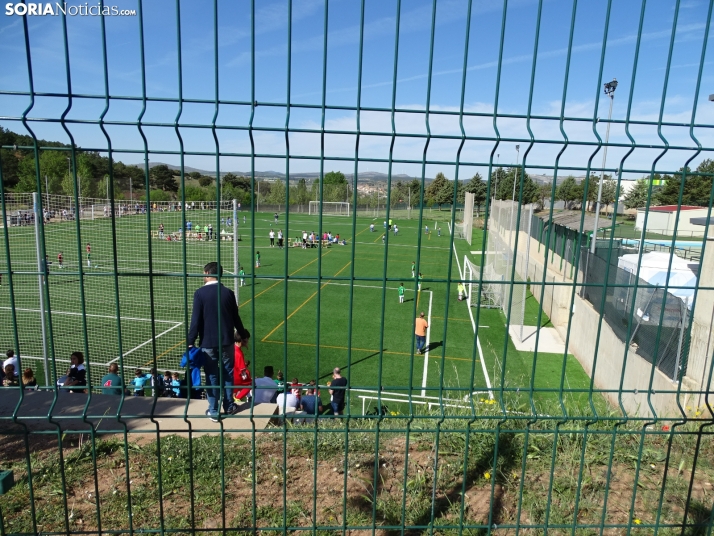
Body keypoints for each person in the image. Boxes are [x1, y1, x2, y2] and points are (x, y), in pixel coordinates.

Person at [187, 262, 250, 420]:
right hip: (227, 341)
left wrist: (190, 340)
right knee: (228, 373)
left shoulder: (200, 293)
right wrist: (243, 336)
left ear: (207, 273)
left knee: (211, 375)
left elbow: (196, 320)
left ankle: (213, 410)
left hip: (208, 342)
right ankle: (229, 406)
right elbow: (236, 318)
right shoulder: (228, 293)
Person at [232, 331, 252, 403]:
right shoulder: (239, 353)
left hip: (230, 376)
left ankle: (234, 396)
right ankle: (237, 398)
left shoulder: (232, 348)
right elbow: (242, 371)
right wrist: (248, 378)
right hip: (237, 377)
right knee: (250, 384)